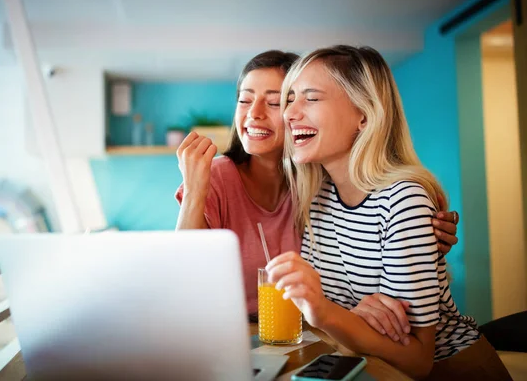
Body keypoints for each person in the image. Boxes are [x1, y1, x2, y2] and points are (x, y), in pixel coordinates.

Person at [267, 45, 511, 380]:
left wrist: (323, 312)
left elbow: (417, 360)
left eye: (310, 97)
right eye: (290, 99)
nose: (289, 113)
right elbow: (345, 317)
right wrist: (350, 315)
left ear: (363, 115)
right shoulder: (319, 197)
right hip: (369, 364)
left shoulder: (403, 200)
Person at [174, 50, 459, 319]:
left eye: (275, 102)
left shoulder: (320, 181)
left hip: (310, 337)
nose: (254, 113)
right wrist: (194, 192)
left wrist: (417, 235)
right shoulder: (217, 177)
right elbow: (182, 281)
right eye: (244, 100)